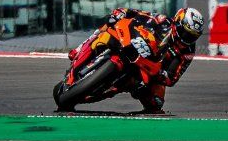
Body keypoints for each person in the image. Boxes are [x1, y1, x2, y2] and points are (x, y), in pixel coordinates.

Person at [66, 7, 204, 113]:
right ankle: (80, 49)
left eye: (192, 36)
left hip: (151, 68)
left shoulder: (187, 52)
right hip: (136, 45)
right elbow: (139, 15)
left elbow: (172, 78)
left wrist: (159, 74)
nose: (187, 38)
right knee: (108, 26)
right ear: (177, 23)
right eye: (185, 32)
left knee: (156, 103)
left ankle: (113, 87)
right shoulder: (162, 21)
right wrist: (122, 12)